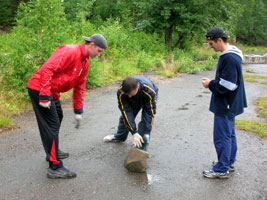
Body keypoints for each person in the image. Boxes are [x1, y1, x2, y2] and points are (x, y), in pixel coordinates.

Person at [27, 34, 107, 179]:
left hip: (53, 91)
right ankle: (55, 166)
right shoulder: (70, 51)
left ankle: (52, 151)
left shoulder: (85, 62)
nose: (99, 54)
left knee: (58, 117)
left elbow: (80, 86)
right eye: (99, 51)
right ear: (92, 45)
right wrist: (44, 95)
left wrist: (78, 110)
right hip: (40, 88)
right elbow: (47, 68)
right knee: (52, 124)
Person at [201, 27, 247, 179]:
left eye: (211, 43)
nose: (210, 46)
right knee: (229, 134)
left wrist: (210, 84)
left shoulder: (229, 58)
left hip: (226, 104)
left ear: (219, 40)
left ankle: (221, 168)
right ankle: (229, 162)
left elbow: (228, 85)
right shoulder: (232, 55)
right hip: (231, 103)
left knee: (222, 137)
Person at [103, 75, 158, 151]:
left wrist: (147, 132)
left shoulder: (149, 91)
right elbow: (126, 112)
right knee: (124, 118)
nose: (129, 96)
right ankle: (120, 137)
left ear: (137, 87)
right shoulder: (121, 92)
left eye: (131, 94)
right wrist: (134, 132)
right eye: (127, 94)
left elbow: (149, 113)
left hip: (147, 96)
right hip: (135, 95)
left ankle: (141, 143)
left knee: (145, 121)